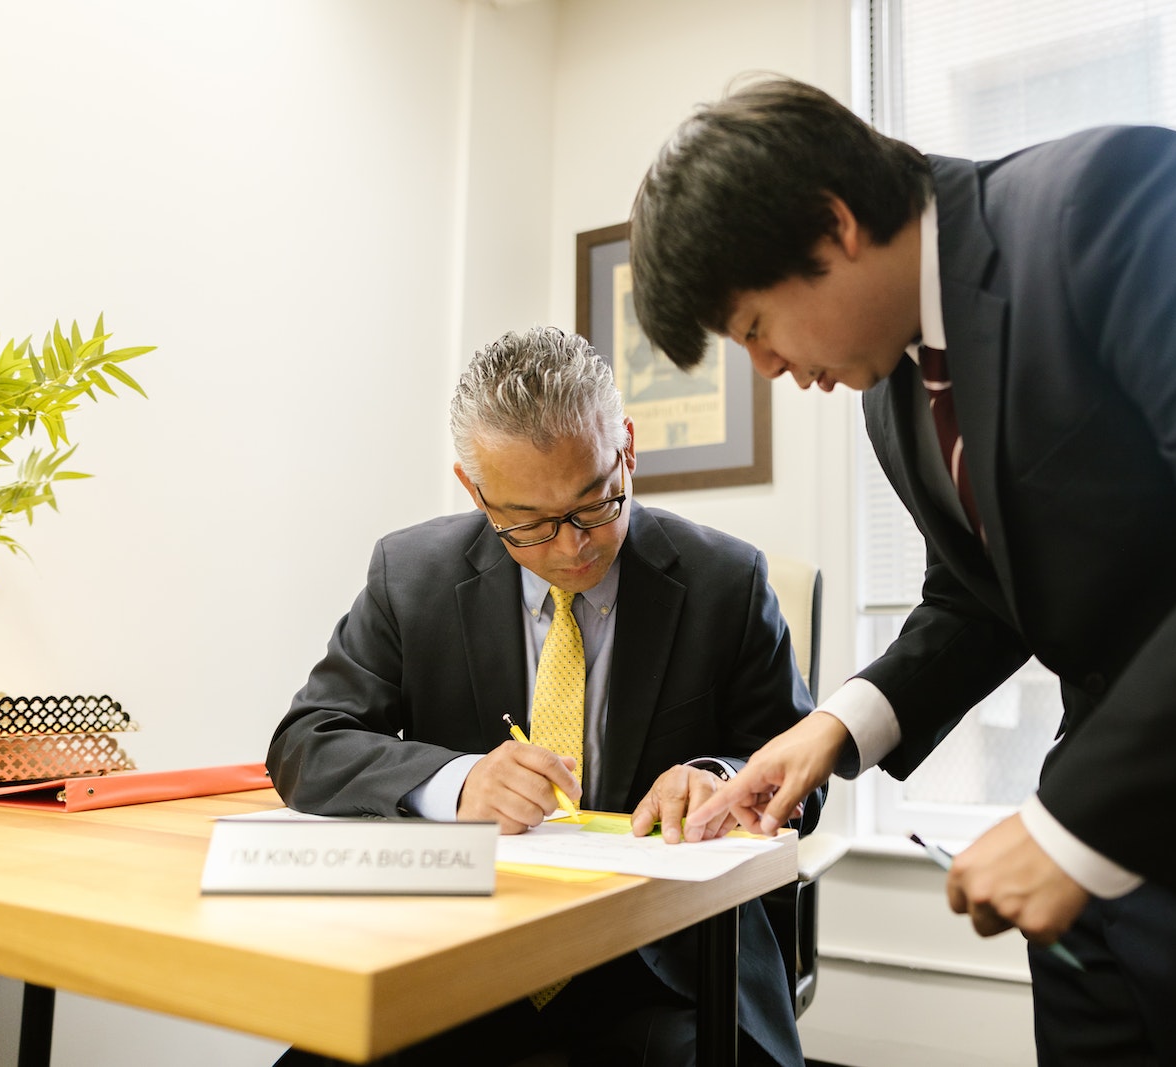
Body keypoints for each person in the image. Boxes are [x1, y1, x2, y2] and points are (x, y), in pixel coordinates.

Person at [626, 76, 1176, 1066]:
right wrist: (835, 728)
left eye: (754, 328)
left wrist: (1073, 823)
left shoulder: (1118, 206)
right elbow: (973, 599)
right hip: (1124, 861)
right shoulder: (893, 397)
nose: (773, 370)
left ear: (832, 227)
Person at [266, 325, 822, 1067]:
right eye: (528, 523)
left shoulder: (729, 581)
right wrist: (458, 783)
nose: (573, 546)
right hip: (467, 958)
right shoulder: (411, 576)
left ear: (626, 446)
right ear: (474, 489)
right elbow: (307, 742)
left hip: (665, 971)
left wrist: (722, 780)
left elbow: (799, 774)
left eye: (596, 502)